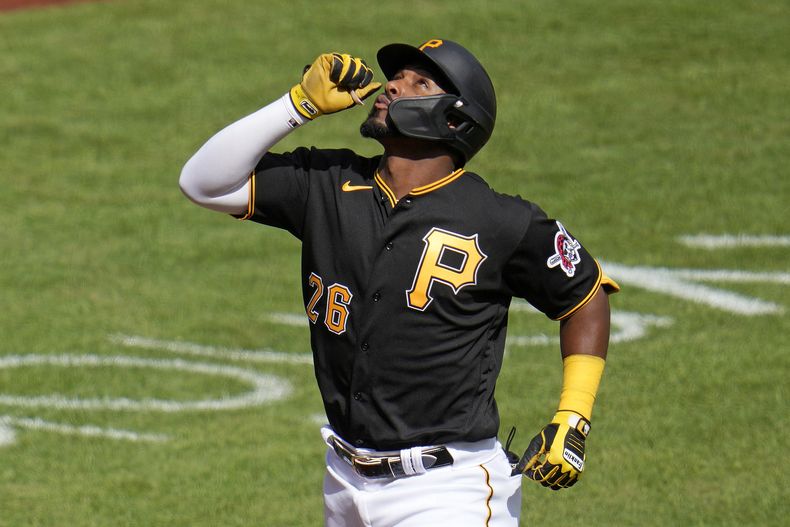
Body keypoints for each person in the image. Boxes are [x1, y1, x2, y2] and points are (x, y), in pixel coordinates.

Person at [180, 38, 619, 527]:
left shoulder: (501, 220)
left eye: (419, 83)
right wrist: (296, 106)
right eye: (397, 77)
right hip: (344, 482)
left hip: (448, 491)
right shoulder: (328, 184)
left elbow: (584, 295)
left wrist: (573, 417)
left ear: (454, 120)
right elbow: (202, 182)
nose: (392, 85)